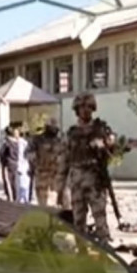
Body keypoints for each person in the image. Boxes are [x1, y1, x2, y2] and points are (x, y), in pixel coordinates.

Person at [56, 93, 117, 241]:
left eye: (89, 107)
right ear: (76, 109)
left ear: (93, 108)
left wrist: (107, 145)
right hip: (77, 183)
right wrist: (60, 188)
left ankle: (105, 252)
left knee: (100, 221)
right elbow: (63, 160)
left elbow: (113, 151)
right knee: (78, 223)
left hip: (95, 181)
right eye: (82, 107)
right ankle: (82, 254)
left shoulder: (102, 129)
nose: (85, 110)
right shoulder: (70, 134)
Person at [28, 118, 65, 207]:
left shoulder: (60, 141)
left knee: (54, 202)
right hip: (42, 175)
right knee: (43, 202)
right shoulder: (37, 140)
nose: (55, 130)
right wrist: (36, 164)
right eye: (53, 128)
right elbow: (29, 154)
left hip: (56, 175)